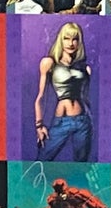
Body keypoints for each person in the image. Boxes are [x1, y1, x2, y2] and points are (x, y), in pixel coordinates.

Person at [34, 20, 95, 162]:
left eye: (75, 39)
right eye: (66, 38)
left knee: (81, 165)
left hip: (83, 121)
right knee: (42, 161)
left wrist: (90, 120)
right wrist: (39, 125)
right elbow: (40, 97)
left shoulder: (85, 68)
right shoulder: (49, 63)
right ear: (60, 40)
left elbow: (85, 97)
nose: (70, 43)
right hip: (61, 121)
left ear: (79, 42)